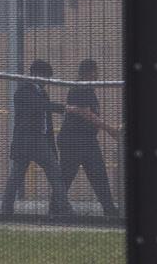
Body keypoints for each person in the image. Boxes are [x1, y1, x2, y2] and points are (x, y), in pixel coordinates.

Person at [1, 60, 73, 216]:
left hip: (40, 141)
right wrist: (62, 108)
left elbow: (47, 121)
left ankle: (64, 209)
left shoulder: (42, 93)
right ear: (35, 75)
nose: (47, 81)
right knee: (19, 177)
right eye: (45, 77)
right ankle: (5, 210)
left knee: (54, 174)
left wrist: (51, 146)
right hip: (29, 140)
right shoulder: (23, 91)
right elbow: (38, 105)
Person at [58, 59, 119, 217]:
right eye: (95, 71)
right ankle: (56, 208)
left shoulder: (88, 90)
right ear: (89, 72)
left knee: (98, 173)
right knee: (66, 175)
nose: (97, 74)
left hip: (87, 140)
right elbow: (87, 114)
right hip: (74, 140)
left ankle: (109, 209)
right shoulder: (81, 88)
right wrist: (109, 129)